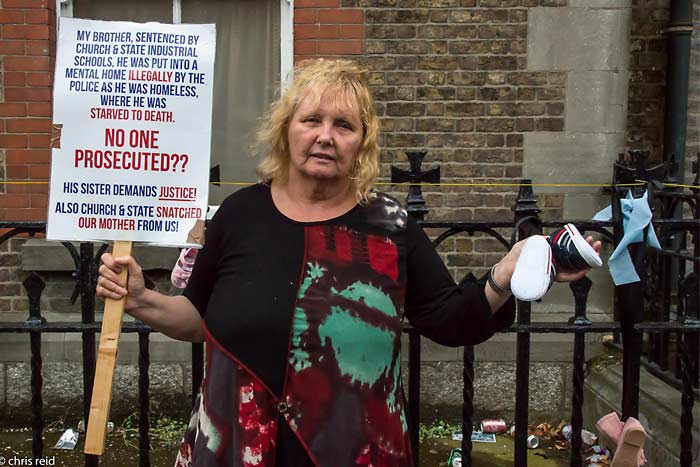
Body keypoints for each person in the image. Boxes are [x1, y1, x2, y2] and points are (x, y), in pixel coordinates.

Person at [96, 59, 600, 467]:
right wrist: (141, 298)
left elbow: (448, 319)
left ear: (362, 142)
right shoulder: (239, 215)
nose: (325, 136)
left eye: (343, 125)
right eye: (311, 120)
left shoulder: (390, 225)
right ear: (286, 130)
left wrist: (503, 277)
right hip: (234, 447)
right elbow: (198, 319)